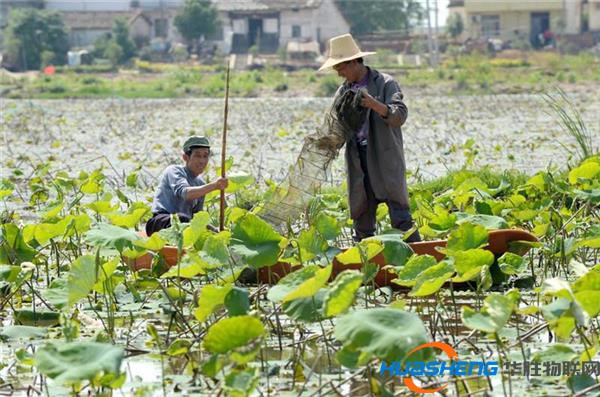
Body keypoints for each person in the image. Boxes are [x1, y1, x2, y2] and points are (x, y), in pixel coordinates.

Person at [318, 33, 421, 243]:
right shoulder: (343, 91)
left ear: (354, 62)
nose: (340, 74)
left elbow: (399, 116)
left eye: (342, 68)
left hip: (384, 156)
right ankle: (365, 262)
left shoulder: (385, 83)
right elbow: (337, 125)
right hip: (358, 158)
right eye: (337, 70)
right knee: (361, 215)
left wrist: (374, 104)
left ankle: (418, 253)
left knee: (400, 214)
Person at [145, 136, 228, 236]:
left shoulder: (200, 184)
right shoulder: (174, 171)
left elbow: (197, 218)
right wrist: (214, 185)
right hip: (160, 223)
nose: (202, 161)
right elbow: (186, 193)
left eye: (205, 156)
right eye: (197, 156)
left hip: (184, 225)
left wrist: (214, 231)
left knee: (192, 225)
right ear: (186, 157)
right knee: (182, 219)